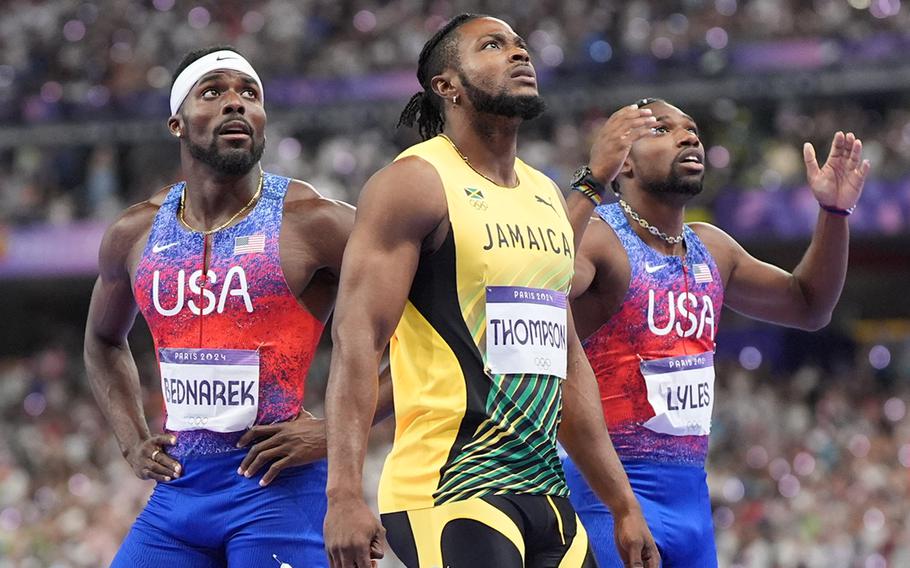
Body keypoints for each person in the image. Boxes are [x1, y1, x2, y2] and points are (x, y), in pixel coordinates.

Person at [322, 14, 660, 568]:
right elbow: (358, 337)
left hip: (547, 497)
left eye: (521, 45)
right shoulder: (414, 182)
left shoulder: (547, 194)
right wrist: (342, 492)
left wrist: (622, 504)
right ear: (446, 86)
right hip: (449, 488)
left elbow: (567, 360)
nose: (519, 53)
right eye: (493, 46)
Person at [563, 97, 870, 567]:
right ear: (622, 161)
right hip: (607, 496)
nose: (689, 137)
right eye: (662, 129)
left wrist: (833, 213)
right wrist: (591, 180)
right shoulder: (602, 239)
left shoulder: (712, 247)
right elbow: (542, 288)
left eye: (693, 129)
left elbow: (810, 305)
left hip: (691, 502)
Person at [83, 45, 354, 567]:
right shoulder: (134, 232)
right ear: (177, 124)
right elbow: (101, 339)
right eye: (213, 92)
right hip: (180, 494)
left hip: (279, 490)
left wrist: (337, 429)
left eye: (249, 94)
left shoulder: (314, 222)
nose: (236, 104)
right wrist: (132, 440)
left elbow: (430, 319)